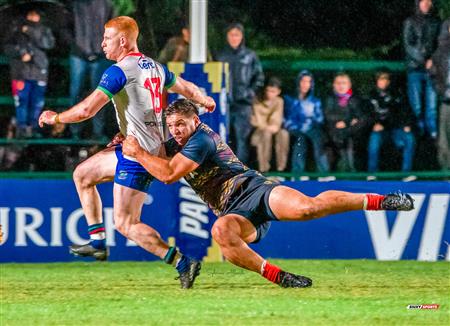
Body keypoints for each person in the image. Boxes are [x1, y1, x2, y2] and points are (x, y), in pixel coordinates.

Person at [122, 99, 414, 288]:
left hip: (254, 189)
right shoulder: (175, 143)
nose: (176, 131)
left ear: (194, 122)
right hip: (234, 212)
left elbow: (169, 174)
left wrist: (135, 151)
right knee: (221, 232)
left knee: (307, 209)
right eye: (171, 126)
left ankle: (381, 200)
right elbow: (157, 157)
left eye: (181, 124)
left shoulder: (200, 139)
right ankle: (279, 277)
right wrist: (122, 144)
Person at [39, 16, 216, 289]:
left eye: (107, 38)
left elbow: (87, 110)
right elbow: (188, 89)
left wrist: (56, 117)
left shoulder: (119, 71)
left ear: (123, 40)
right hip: (137, 147)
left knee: (125, 224)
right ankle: (98, 242)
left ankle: (183, 262)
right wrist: (205, 99)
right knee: (83, 174)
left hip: (138, 155)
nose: (102, 44)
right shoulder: (154, 66)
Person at [216, 23, 264, 165]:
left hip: (244, 104)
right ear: (227, 36)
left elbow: (259, 77)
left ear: (242, 36)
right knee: (223, 137)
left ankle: (240, 171)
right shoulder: (220, 55)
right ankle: (224, 168)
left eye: (237, 35)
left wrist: (249, 93)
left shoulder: (250, 55)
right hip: (225, 103)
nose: (234, 38)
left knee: (242, 138)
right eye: (231, 35)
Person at [4, 9, 55, 139]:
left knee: (37, 102)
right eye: (30, 14)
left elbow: (48, 44)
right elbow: (7, 47)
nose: (33, 17)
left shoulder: (45, 29)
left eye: (35, 14)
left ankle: (35, 129)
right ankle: (21, 130)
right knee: (21, 101)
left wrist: (30, 31)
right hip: (20, 73)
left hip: (39, 72)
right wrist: (20, 53)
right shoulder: (15, 28)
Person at [69, 0, 114, 141]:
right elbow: (65, 26)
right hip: (78, 53)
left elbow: (114, 29)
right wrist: (74, 44)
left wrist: (104, 47)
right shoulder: (74, 4)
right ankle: (74, 131)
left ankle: (98, 132)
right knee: (76, 92)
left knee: (99, 95)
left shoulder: (107, 4)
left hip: (100, 54)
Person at [403, 0, 441, 139]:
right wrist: (424, 60)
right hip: (414, 68)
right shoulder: (410, 21)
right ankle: (418, 132)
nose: (426, 4)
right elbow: (408, 45)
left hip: (432, 69)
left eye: (429, 2)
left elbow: (440, 43)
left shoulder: (437, 22)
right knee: (416, 105)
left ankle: (432, 134)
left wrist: (433, 60)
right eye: (423, 1)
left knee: (431, 105)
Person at [367, 71, 416, 173]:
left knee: (409, 138)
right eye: (381, 79)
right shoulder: (370, 96)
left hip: (395, 129)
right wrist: (374, 124)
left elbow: (405, 111)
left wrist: (406, 124)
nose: (384, 82)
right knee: (374, 139)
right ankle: (372, 173)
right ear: (376, 80)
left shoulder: (397, 94)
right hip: (380, 131)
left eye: (386, 79)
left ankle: (406, 173)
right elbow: (367, 115)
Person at [284, 70, 329, 173]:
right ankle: (297, 173)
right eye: (303, 81)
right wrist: (295, 126)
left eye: (308, 82)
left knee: (319, 138)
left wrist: (310, 118)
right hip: (294, 129)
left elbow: (320, 119)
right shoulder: (289, 99)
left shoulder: (315, 101)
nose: (305, 84)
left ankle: (324, 173)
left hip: (311, 128)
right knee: (300, 140)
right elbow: (285, 118)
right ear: (298, 82)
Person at [323, 73, 368, 171]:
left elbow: (362, 118)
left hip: (352, 135)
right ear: (334, 85)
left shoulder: (355, 99)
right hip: (333, 135)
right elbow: (328, 116)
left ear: (349, 85)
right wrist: (349, 121)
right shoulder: (329, 99)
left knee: (353, 147)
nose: (341, 86)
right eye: (338, 83)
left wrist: (346, 123)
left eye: (344, 83)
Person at [250, 77, 289, 172]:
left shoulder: (279, 101)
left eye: (273, 91)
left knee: (283, 134)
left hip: (273, 129)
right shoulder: (256, 100)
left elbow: (276, 121)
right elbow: (254, 120)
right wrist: (266, 127)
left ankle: (281, 168)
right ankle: (264, 169)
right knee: (265, 134)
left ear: (278, 92)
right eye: (268, 90)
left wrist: (273, 127)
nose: (269, 94)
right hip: (258, 131)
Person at [431, 18, 450, 170]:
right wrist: (441, 91)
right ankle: (446, 175)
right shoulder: (441, 51)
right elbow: (433, 73)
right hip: (447, 101)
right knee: (444, 139)